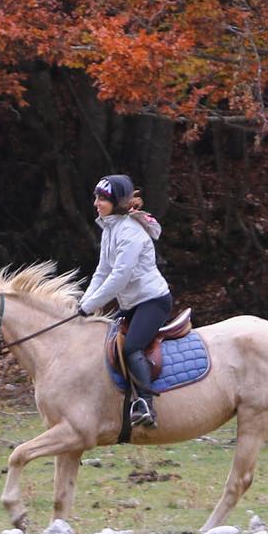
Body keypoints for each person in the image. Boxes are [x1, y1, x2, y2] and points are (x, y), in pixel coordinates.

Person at [77, 174, 171, 427]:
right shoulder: (110, 228)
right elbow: (102, 271)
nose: (96, 203)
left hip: (153, 301)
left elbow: (119, 277)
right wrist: (83, 304)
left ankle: (145, 405)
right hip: (132, 304)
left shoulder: (129, 232)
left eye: (103, 199)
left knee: (131, 347)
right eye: (96, 197)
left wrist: (90, 306)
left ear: (117, 202)